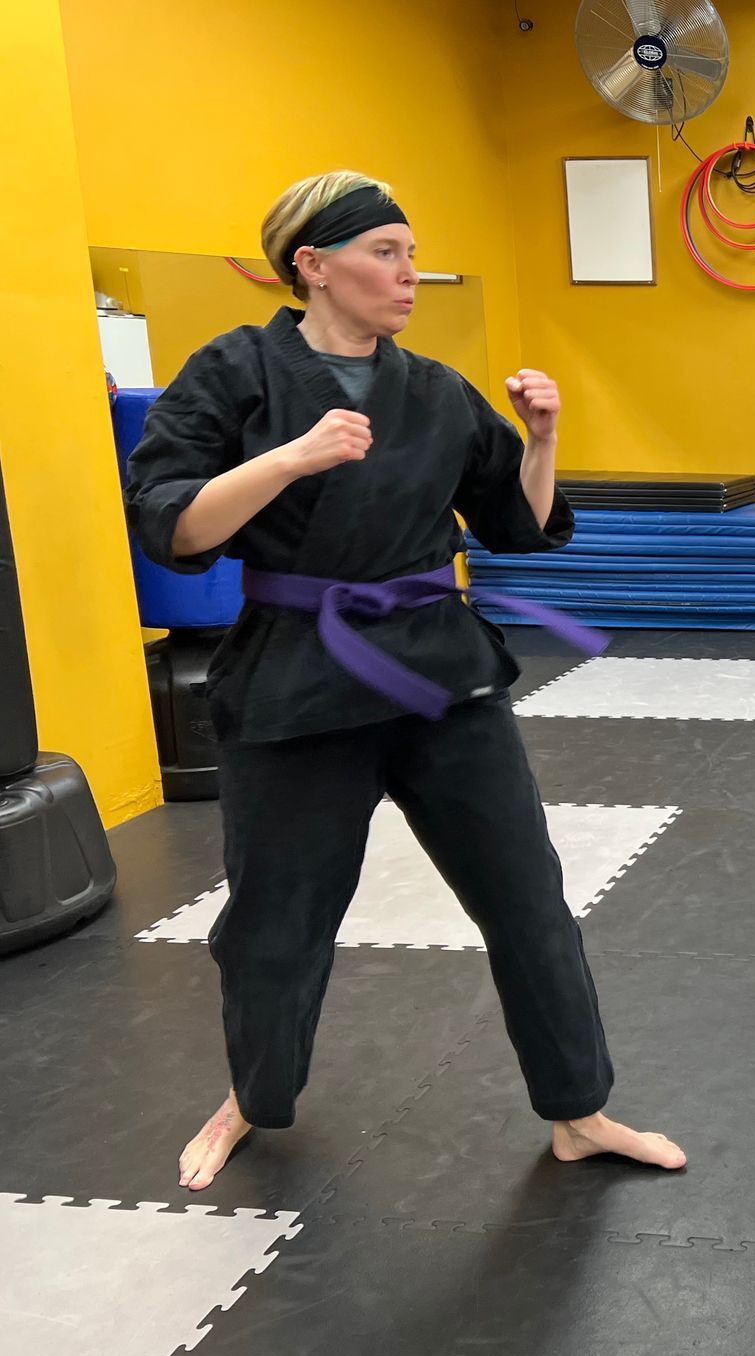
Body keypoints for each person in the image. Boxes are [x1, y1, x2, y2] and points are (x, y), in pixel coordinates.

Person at [125, 171, 686, 1190]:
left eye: (413, 254)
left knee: (527, 897)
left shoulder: (433, 389)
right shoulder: (235, 371)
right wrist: (290, 460)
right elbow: (177, 527)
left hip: (438, 671)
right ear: (313, 265)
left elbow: (518, 524)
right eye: (386, 252)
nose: (409, 274)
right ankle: (253, 1097)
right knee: (274, 921)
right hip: (300, 674)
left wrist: (544, 440)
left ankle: (579, 1110)